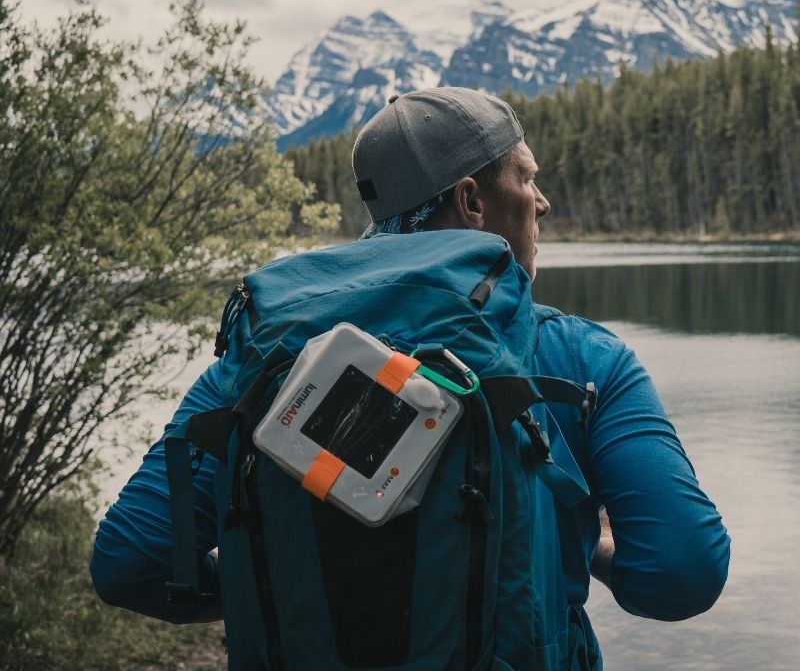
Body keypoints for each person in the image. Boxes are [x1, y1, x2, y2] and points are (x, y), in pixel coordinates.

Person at [91, 87, 730, 668]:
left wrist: (269, 586)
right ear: (472, 201)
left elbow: (130, 565)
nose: (543, 201)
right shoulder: (581, 361)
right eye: (527, 178)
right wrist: (583, 538)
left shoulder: (257, 363)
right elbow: (682, 574)